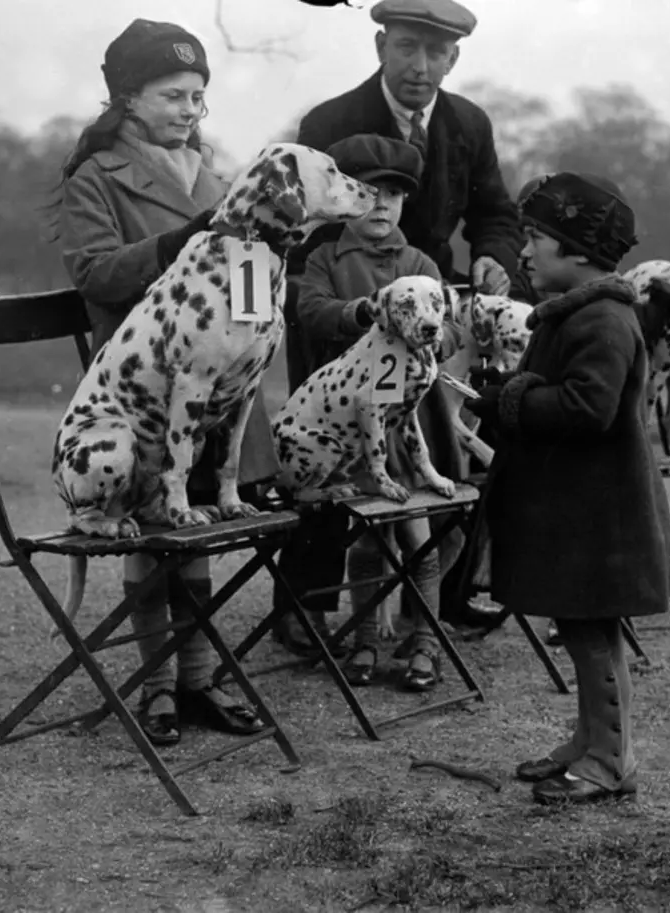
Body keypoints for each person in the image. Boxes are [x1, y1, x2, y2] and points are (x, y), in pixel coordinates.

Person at [55, 18, 281, 746]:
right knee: (155, 533)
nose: (190, 110)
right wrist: (172, 246)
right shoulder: (97, 177)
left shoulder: (219, 180)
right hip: (141, 393)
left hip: (210, 397)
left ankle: (199, 677)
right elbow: (92, 273)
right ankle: (158, 689)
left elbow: (246, 298)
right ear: (126, 97)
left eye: (199, 98)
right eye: (174, 95)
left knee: (196, 533)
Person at [275, 0, 523, 634]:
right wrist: (338, 304)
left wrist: (493, 258)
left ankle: (438, 602)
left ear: (454, 58)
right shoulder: (331, 120)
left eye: (435, 53)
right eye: (408, 47)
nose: (420, 66)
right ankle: (308, 605)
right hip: (340, 312)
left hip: (425, 316)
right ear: (381, 45)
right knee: (332, 454)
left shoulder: (468, 122)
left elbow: (495, 212)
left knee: (436, 451)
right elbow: (298, 226)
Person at [464, 173, 670, 804]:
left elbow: (590, 407)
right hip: (578, 509)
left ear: (580, 253)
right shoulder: (575, 314)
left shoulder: (605, 320)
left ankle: (611, 761)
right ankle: (589, 741)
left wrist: (516, 398)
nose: (524, 253)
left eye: (536, 239)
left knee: (591, 634)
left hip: (600, 516)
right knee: (580, 626)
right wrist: (502, 395)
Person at [290, 132, 462, 690]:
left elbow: (451, 322)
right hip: (347, 426)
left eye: (393, 195)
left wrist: (435, 335)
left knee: (421, 537)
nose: (381, 205)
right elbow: (310, 310)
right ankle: (363, 641)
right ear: (348, 200)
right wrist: (361, 311)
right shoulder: (323, 258)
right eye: (368, 193)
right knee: (366, 542)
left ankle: (425, 641)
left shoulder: (420, 262)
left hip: (411, 423)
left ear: (405, 203)